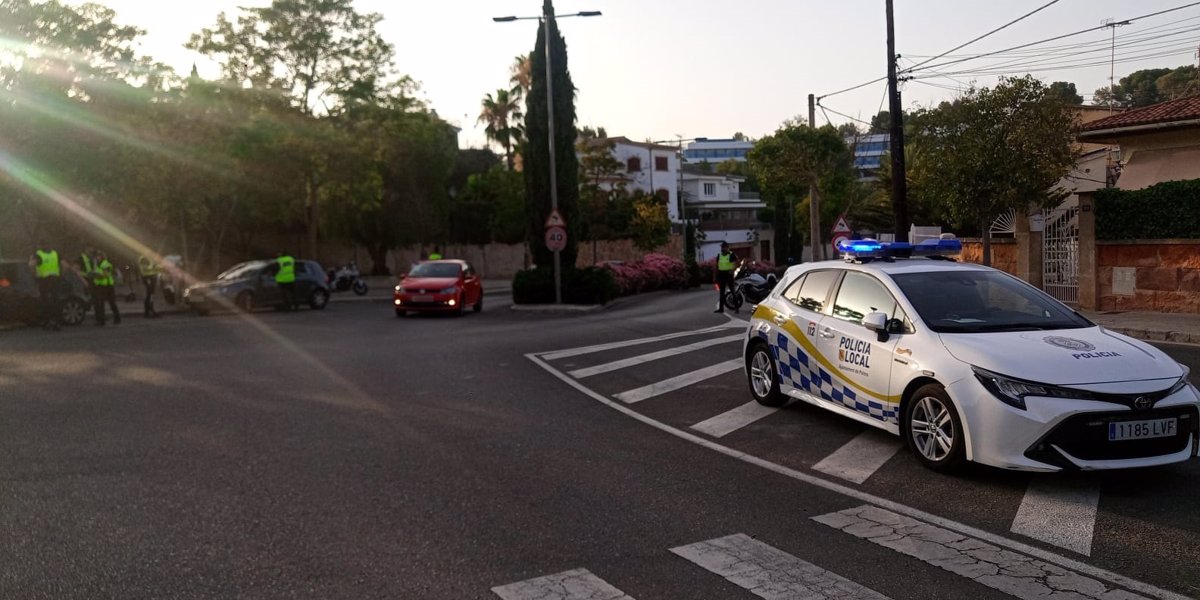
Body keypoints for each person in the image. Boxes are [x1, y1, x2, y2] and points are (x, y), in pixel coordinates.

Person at [30, 240, 62, 330]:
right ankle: (56, 321)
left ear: (40, 245)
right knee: (56, 301)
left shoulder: (38, 254)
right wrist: (60, 275)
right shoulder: (55, 254)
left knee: (45, 301)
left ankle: (47, 321)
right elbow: (66, 265)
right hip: (55, 280)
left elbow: (31, 265)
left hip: (44, 281)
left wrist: (34, 276)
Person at [92, 250, 120, 325]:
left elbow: (106, 274)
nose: (97, 258)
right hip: (100, 286)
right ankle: (101, 320)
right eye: (96, 256)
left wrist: (97, 276)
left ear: (102, 257)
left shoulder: (105, 264)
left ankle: (117, 318)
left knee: (111, 303)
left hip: (108, 286)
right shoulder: (97, 264)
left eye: (98, 256)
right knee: (101, 303)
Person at [714, 242, 736, 314]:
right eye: (722, 247)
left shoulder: (731, 255)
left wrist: (732, 270)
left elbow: (736, 263)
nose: (722, 249)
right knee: (722, 292)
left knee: (732, 291)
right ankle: (721, 309)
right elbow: (717, 266)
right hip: (721, 275)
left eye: (724, 247)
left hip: (728, 275)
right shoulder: (719, 255)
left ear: (727, 247)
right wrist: (715, 276)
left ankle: (736, 308)